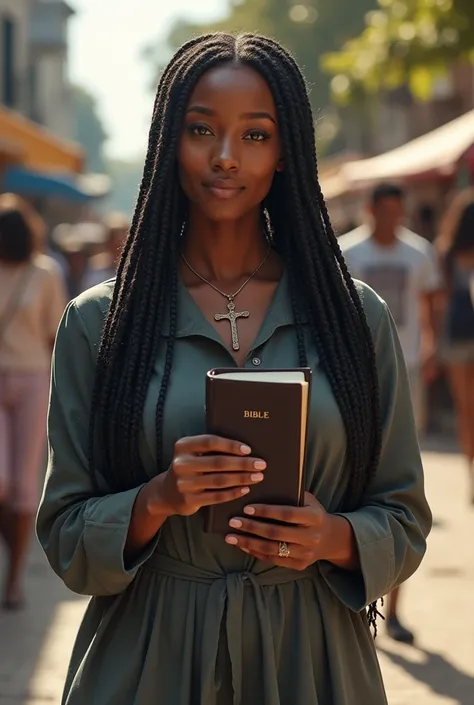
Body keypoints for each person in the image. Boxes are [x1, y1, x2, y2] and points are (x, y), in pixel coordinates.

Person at [37, 34, 431, 705]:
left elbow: (404, 518)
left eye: (255, 134)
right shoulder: (100, 322)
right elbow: (67, 535)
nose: (225, 156)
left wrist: (333, 537)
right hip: (147, 660)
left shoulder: (352, 317)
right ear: (169, 142)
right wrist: (157, 499)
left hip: (313, 660)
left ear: (285, 153)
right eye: (201, 130)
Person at [339, 183, 442, 646]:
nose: (390, 220)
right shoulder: (346, 253)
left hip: (409, 373)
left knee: (398, 490)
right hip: (353, 380)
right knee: (352, 486)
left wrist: (432, 345)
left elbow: (428, 304)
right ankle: (354, 599)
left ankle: (395, 609)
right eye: (384, 212)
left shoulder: (418, 254)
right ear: (370, 211)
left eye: (397, 213)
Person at [0, 194, 66, 609]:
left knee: (25, 487)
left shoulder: (44, 273)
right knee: (1, 479)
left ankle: (14, 578)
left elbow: (53, 333)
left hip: (33, 378)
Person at [436, 189, 474, 504]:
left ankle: (471, 475)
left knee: (465, 410)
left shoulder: (447, 253)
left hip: (456, 336)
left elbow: (441, 300)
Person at [83, 212, 129, 289]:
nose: (117, 242)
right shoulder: (95, 268)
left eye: (122, 237)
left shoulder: (135, 267)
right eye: (113, 237)